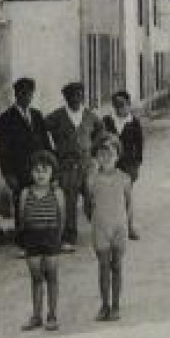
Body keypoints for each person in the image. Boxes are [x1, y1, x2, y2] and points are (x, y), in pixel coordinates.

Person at [44, 82, 106, 252]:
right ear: (66, 97)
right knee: (69, 203)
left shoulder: (90, 116)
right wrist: (53, 151)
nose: (76, 99)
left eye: (79, 95)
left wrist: (93, 149)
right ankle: (69, 237)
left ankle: (101, 232)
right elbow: (42, 130)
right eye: (72, 95)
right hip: (67, 166)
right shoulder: (57, 116)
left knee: (92, 199)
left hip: (86, 165)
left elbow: (101, 131)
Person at [84, 135, 134, 321]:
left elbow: (128, 204)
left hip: (119, 228)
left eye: (110, 153)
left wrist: (130, 225)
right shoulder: (91, 180)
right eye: (101, 153)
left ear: (117, 155)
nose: (106, 157)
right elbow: (89, 206)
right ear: (96, 156)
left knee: (117, 266)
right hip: (100, 228)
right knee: (103, 267)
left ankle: (116, 305)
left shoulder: (125, 179)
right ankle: (104, 305)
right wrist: (96, 221)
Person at [0, 77, 52, 228]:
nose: (26, 97)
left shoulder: (37, 116)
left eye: (29, 93)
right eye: (23, 93)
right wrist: (8, 174)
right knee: (22, 203)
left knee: (39, 202)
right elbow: (1, 151)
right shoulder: (5, 119)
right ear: (16, 94)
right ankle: (23, 238)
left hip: (39, 170)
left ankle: (38, 235)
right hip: (19, 171)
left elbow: (46, 143)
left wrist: (50, 166)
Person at [16, 150, 65, 331]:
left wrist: (56, 239)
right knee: (36, 278)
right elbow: (22, 218)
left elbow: (62, 219)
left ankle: (52, 315)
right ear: (31, 172)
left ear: (52, 172)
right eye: (36, 170)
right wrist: (26, 240)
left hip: (51, 237)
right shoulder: (25, 193)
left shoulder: (57, 193)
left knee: (52, 276)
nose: (40, 174)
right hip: (32, 239)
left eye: (45, 170)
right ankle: (36, 316)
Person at [104, 90, 145, 241]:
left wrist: (137, 164)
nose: (119, 108)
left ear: (128, 105)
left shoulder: (133, 122)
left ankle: (129, 227)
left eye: (122, 105)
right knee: (109, 197)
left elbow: (139, 145)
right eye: (116, 105)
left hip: (128, 165)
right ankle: (111, 229)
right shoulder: (107, 121)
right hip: (110, 165)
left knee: (126, 197)